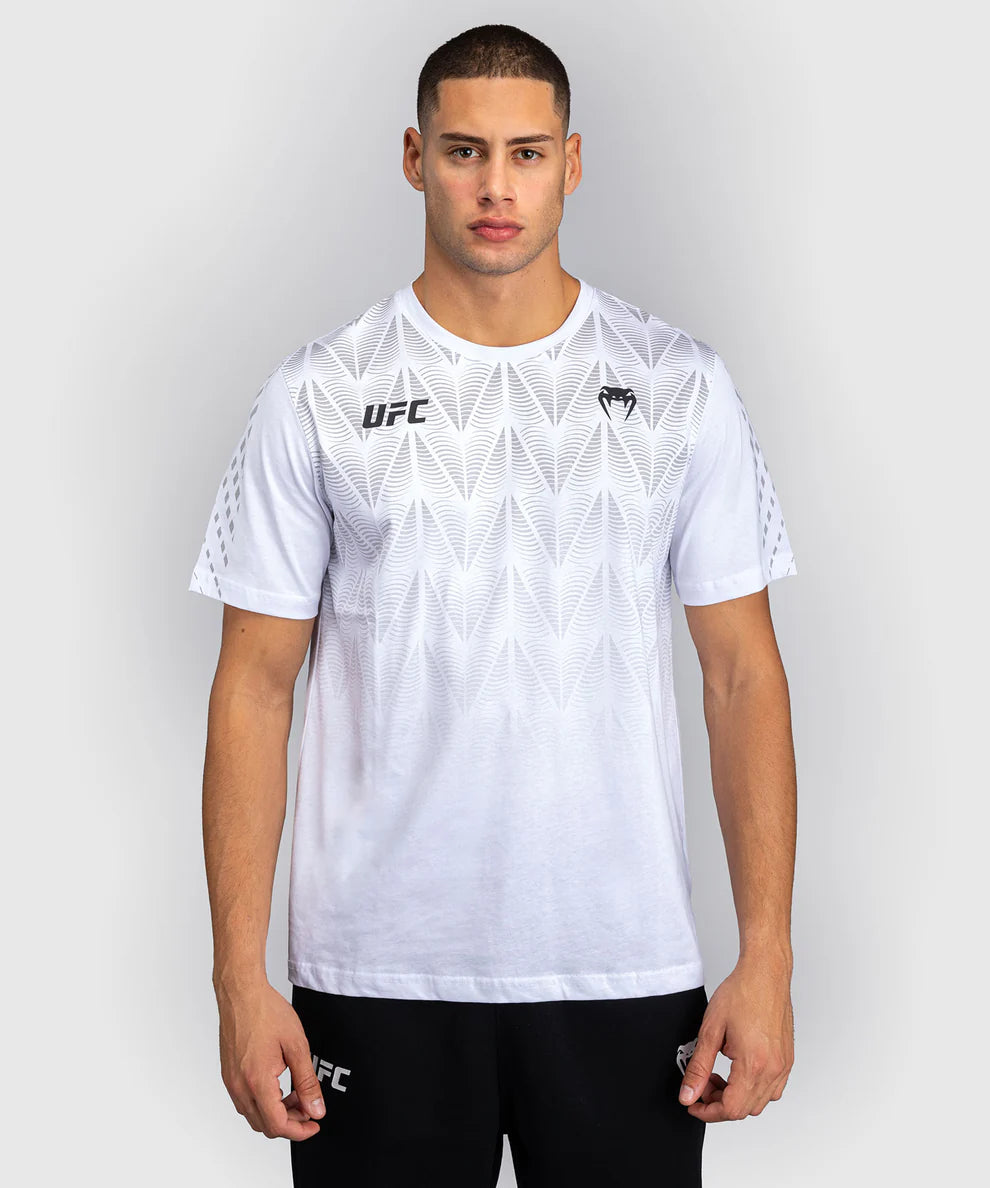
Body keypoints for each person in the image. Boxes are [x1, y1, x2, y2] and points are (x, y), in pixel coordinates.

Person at [188, 22, 798, 1188]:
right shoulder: (320, 393)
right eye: (465, 151)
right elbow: (254, 690)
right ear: (414, 158)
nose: (496, 187)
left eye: (527, 153)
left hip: (622, 968)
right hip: (375, 976)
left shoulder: (679, 384)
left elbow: (742, 676)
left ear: (573, 162)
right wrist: (238, 980)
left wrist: (766, 955)